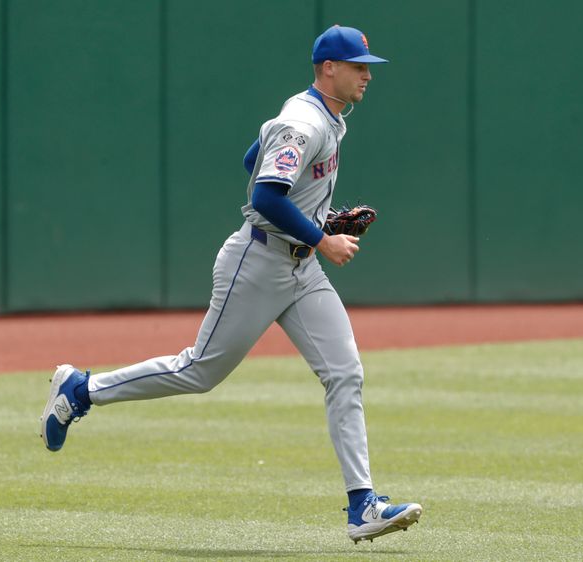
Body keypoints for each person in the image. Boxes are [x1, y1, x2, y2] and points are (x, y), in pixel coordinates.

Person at [39, 25, 422, 544]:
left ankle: (363, 505)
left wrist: (322, 218)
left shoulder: (325, 117)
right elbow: (265, 195)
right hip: (258, 262)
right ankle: (82, 389)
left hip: (301, 269)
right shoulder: (304, 121)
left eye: (367, 66)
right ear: (328, 67)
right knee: (199, 371)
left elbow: (254, 158)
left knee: (345, 373)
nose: (367, 75)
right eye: (358, 65)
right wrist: (324, 237)